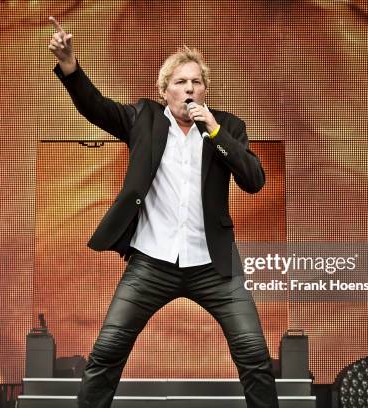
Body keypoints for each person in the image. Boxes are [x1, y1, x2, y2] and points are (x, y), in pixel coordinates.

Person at [48, 16, 279, 408]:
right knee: (106, 352)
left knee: (255, 358)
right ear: (164, 90)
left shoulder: (227, 126)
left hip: (214, 267)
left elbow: (254, 180)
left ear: (205, 90)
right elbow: (97, 108)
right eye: (180, 82)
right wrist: (70, 67)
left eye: (196, 82)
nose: (189, 89)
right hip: (152, 264)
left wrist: (216, 133)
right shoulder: (145, 120)